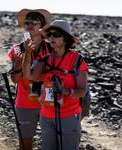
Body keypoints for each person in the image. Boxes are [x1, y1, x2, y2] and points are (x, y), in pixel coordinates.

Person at [22, 19, 88, 150]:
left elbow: (82, 91)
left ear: (65, 39)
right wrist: (28, 53)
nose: (51, 37)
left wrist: (64, 91)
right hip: (46, 115)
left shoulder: (76, 60)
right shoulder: (46, 59)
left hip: (68, 116)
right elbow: (29, 75)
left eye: (56, 34)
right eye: (49, 35)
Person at [8, 9, 52, 150]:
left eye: (34, 22)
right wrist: (18, 63)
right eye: (27, 23)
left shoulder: (52, 48)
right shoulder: (17, 49)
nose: (30, 25)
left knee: (52, 142)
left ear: (42, 26)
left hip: (48, 101)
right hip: (25, 102)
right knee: (25, 144)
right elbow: (14, 80)